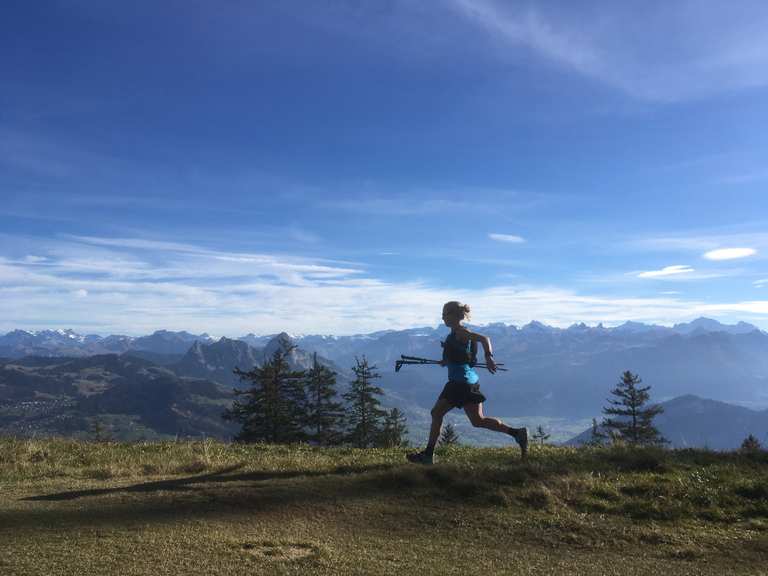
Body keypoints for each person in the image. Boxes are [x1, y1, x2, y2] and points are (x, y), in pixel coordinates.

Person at [407, 301, 528, 464]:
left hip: (459, 383)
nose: (442, 317)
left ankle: (428, 455)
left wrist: (489, 357)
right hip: (469, 381)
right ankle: (517, 433)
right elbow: (465, 356)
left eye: (445, 314)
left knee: (436, 413)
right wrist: (447, 361)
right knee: (478, 421)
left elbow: (485, 339)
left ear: (454, 315)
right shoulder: (454, 334)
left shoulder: (461, 332)